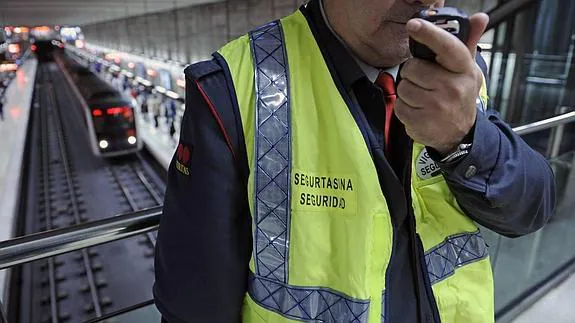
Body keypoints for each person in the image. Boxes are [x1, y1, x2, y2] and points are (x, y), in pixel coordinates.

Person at [154, 0, 556, 322]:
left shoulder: (460, 75)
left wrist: (464, 137)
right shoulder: (234, 87)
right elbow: (194, 304)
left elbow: (531, 209)